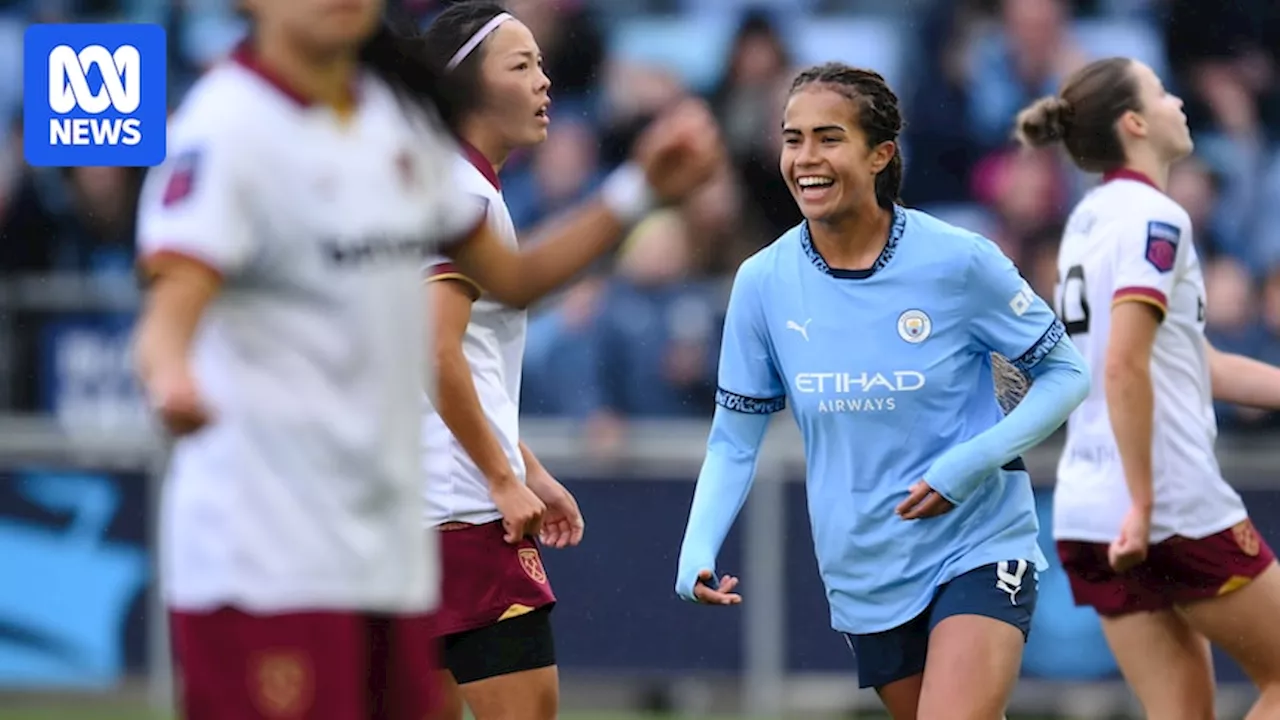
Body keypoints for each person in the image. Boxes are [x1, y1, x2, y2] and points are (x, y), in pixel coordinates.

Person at [131, 0, 721, 717]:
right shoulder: (225, 127)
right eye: (519, 64)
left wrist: (637, 192)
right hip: (264, 549)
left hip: (383, 538)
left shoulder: (391, 131)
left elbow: (515, 277)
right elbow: (168, 317)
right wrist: (172, 378)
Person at [674, 62, 1091, 720]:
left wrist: (969, 462)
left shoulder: (959, 260)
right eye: (793, 138)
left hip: (978, 543)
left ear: (880, 155)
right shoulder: (762, 282)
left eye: (829, 138)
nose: (805, 158)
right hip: (863, 567)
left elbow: (1067, 374)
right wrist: (699, 545)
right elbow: (733, 438)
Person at [411, 4, 722, 719]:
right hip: (464, 516)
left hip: (425, 513)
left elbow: (447, 360)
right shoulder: (461, 195)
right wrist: (500, 478)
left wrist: (529, 468)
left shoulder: (453, 187)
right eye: (520, 66)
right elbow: (432, 354)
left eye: (542, 64)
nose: (544, 82)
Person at [1018, 56, 1280, 720]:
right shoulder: (1156, 219)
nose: (1178, 102)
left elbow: (1197, 364)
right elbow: (1124, 366)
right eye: (1162, 92)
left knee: (1181, 712)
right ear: (1134, 122)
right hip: (1162, 500)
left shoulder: (1087, 220)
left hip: (1087, 505)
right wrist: (1143, 501)